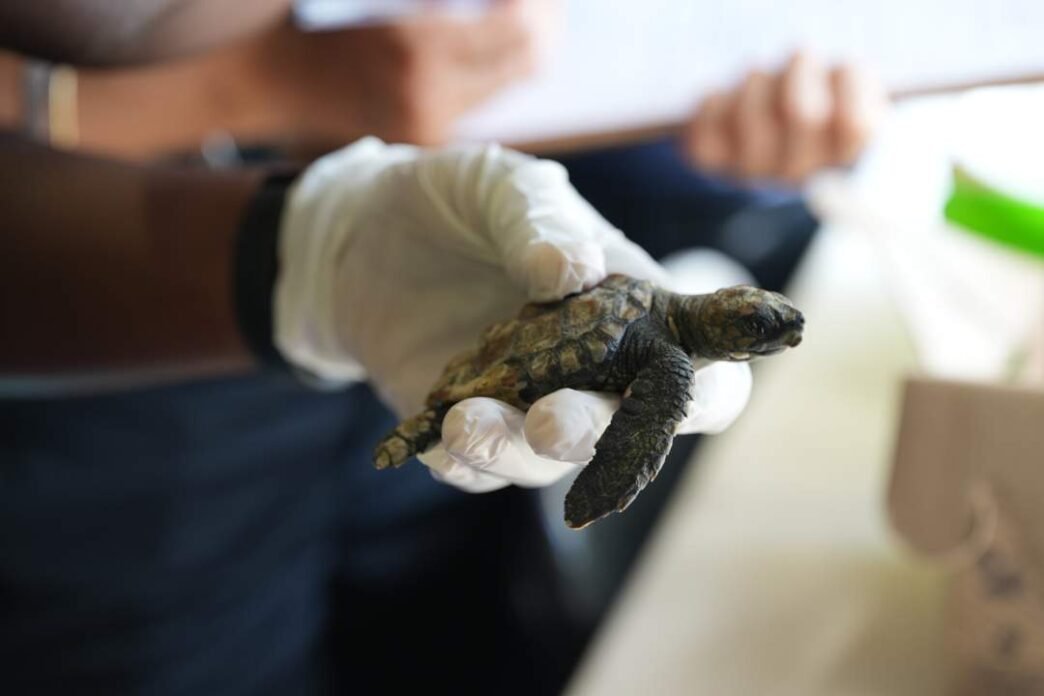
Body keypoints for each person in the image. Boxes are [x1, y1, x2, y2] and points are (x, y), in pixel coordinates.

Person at [0, 2, 884, 694]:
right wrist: (255, 89)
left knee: (471, 630)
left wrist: (313, 248)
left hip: (408, 263)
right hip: (112, 391)